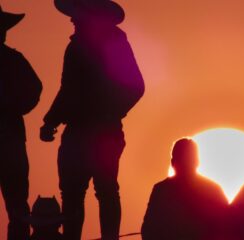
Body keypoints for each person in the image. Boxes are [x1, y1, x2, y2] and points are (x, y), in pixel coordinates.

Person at [40, 1, 145, 239]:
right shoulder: (79, 46)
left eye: (77, 15)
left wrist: (110, 112)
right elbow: (67, 91)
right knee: (82, 192)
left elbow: (136, 86)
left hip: (97, 132)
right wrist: (51, 120)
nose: (72, 20)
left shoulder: (113, 45)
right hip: (84, 130)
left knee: (102, 191)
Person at [0, 5, 42, 240]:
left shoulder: (15, 60)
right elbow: (35, 89)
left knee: (17, 206)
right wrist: (13, 109)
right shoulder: (14, 60)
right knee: (17, 206)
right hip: (11, 140)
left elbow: (34, 90)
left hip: (11, 140)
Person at [141, 138, 228, 240]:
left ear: (173, 162)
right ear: (197, 162)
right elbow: (227, 227)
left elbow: (148, 230)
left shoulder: (161, 190)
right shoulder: (213, 190)